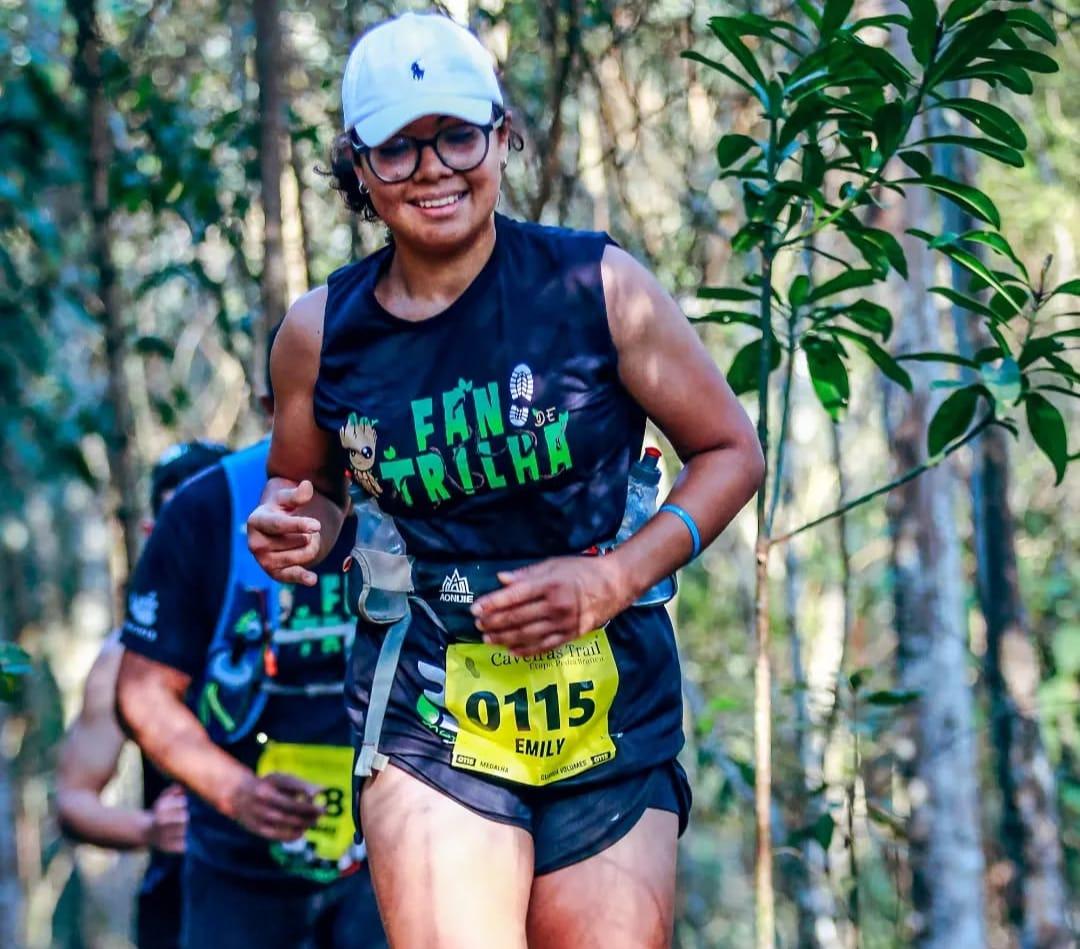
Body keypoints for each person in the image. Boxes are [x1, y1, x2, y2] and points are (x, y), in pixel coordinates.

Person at [248, 11, 764, 949]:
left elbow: (732, 451)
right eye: (397, 149)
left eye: (454, 135)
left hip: (609, 708)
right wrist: (300, 533)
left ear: (500, 135)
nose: (434, 169)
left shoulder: (596, 285)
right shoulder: (320, 333)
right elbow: (313, 508)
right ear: (358, 169)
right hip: (430, 705)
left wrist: (613, 578)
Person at [115, 386, 386, 949]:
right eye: (319, 400)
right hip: (238, 863)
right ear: (273, 405)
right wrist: (237, 792)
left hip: (394, 847)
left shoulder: (427, 482)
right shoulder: (205, 508)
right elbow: (144, 693)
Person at [57, 440, 229, 949]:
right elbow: (72, 800)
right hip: (178, 911)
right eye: (184, 521)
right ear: (156, 532)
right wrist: (149, 828)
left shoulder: (305, 626)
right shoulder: (122, 657)